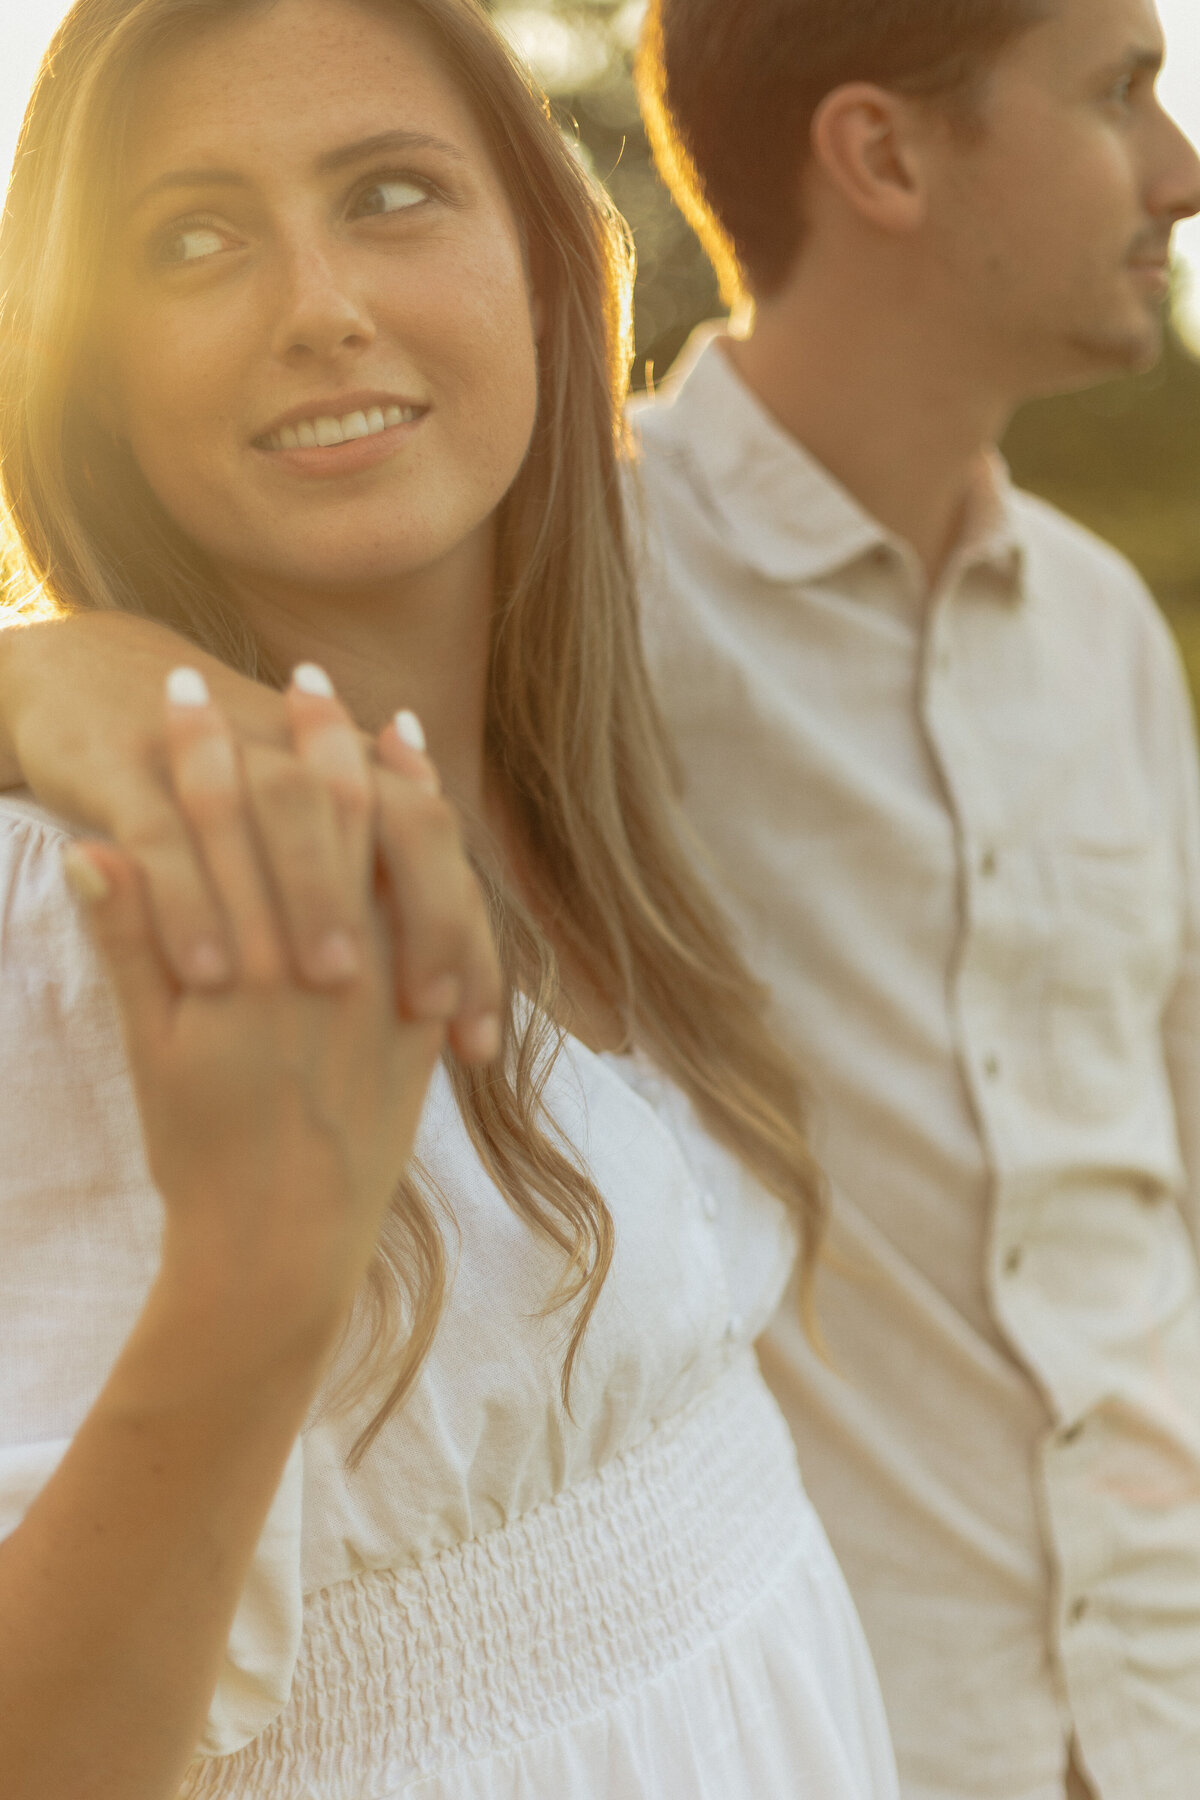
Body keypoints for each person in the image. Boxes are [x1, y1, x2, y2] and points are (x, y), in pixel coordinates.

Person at [0, 1, 901, 1796]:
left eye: (393, 194)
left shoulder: (606, 746)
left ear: (549, 271)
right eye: (191, 238)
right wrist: (254, 1285)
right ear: (86, 364)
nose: (317, 304)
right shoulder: (93, 913)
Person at [627, 1, 1200, 1797]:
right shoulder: (574, 580)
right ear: (882, 155)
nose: (1182, 171)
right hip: (839, 1732)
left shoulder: (1104, 621)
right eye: (1122, 94)